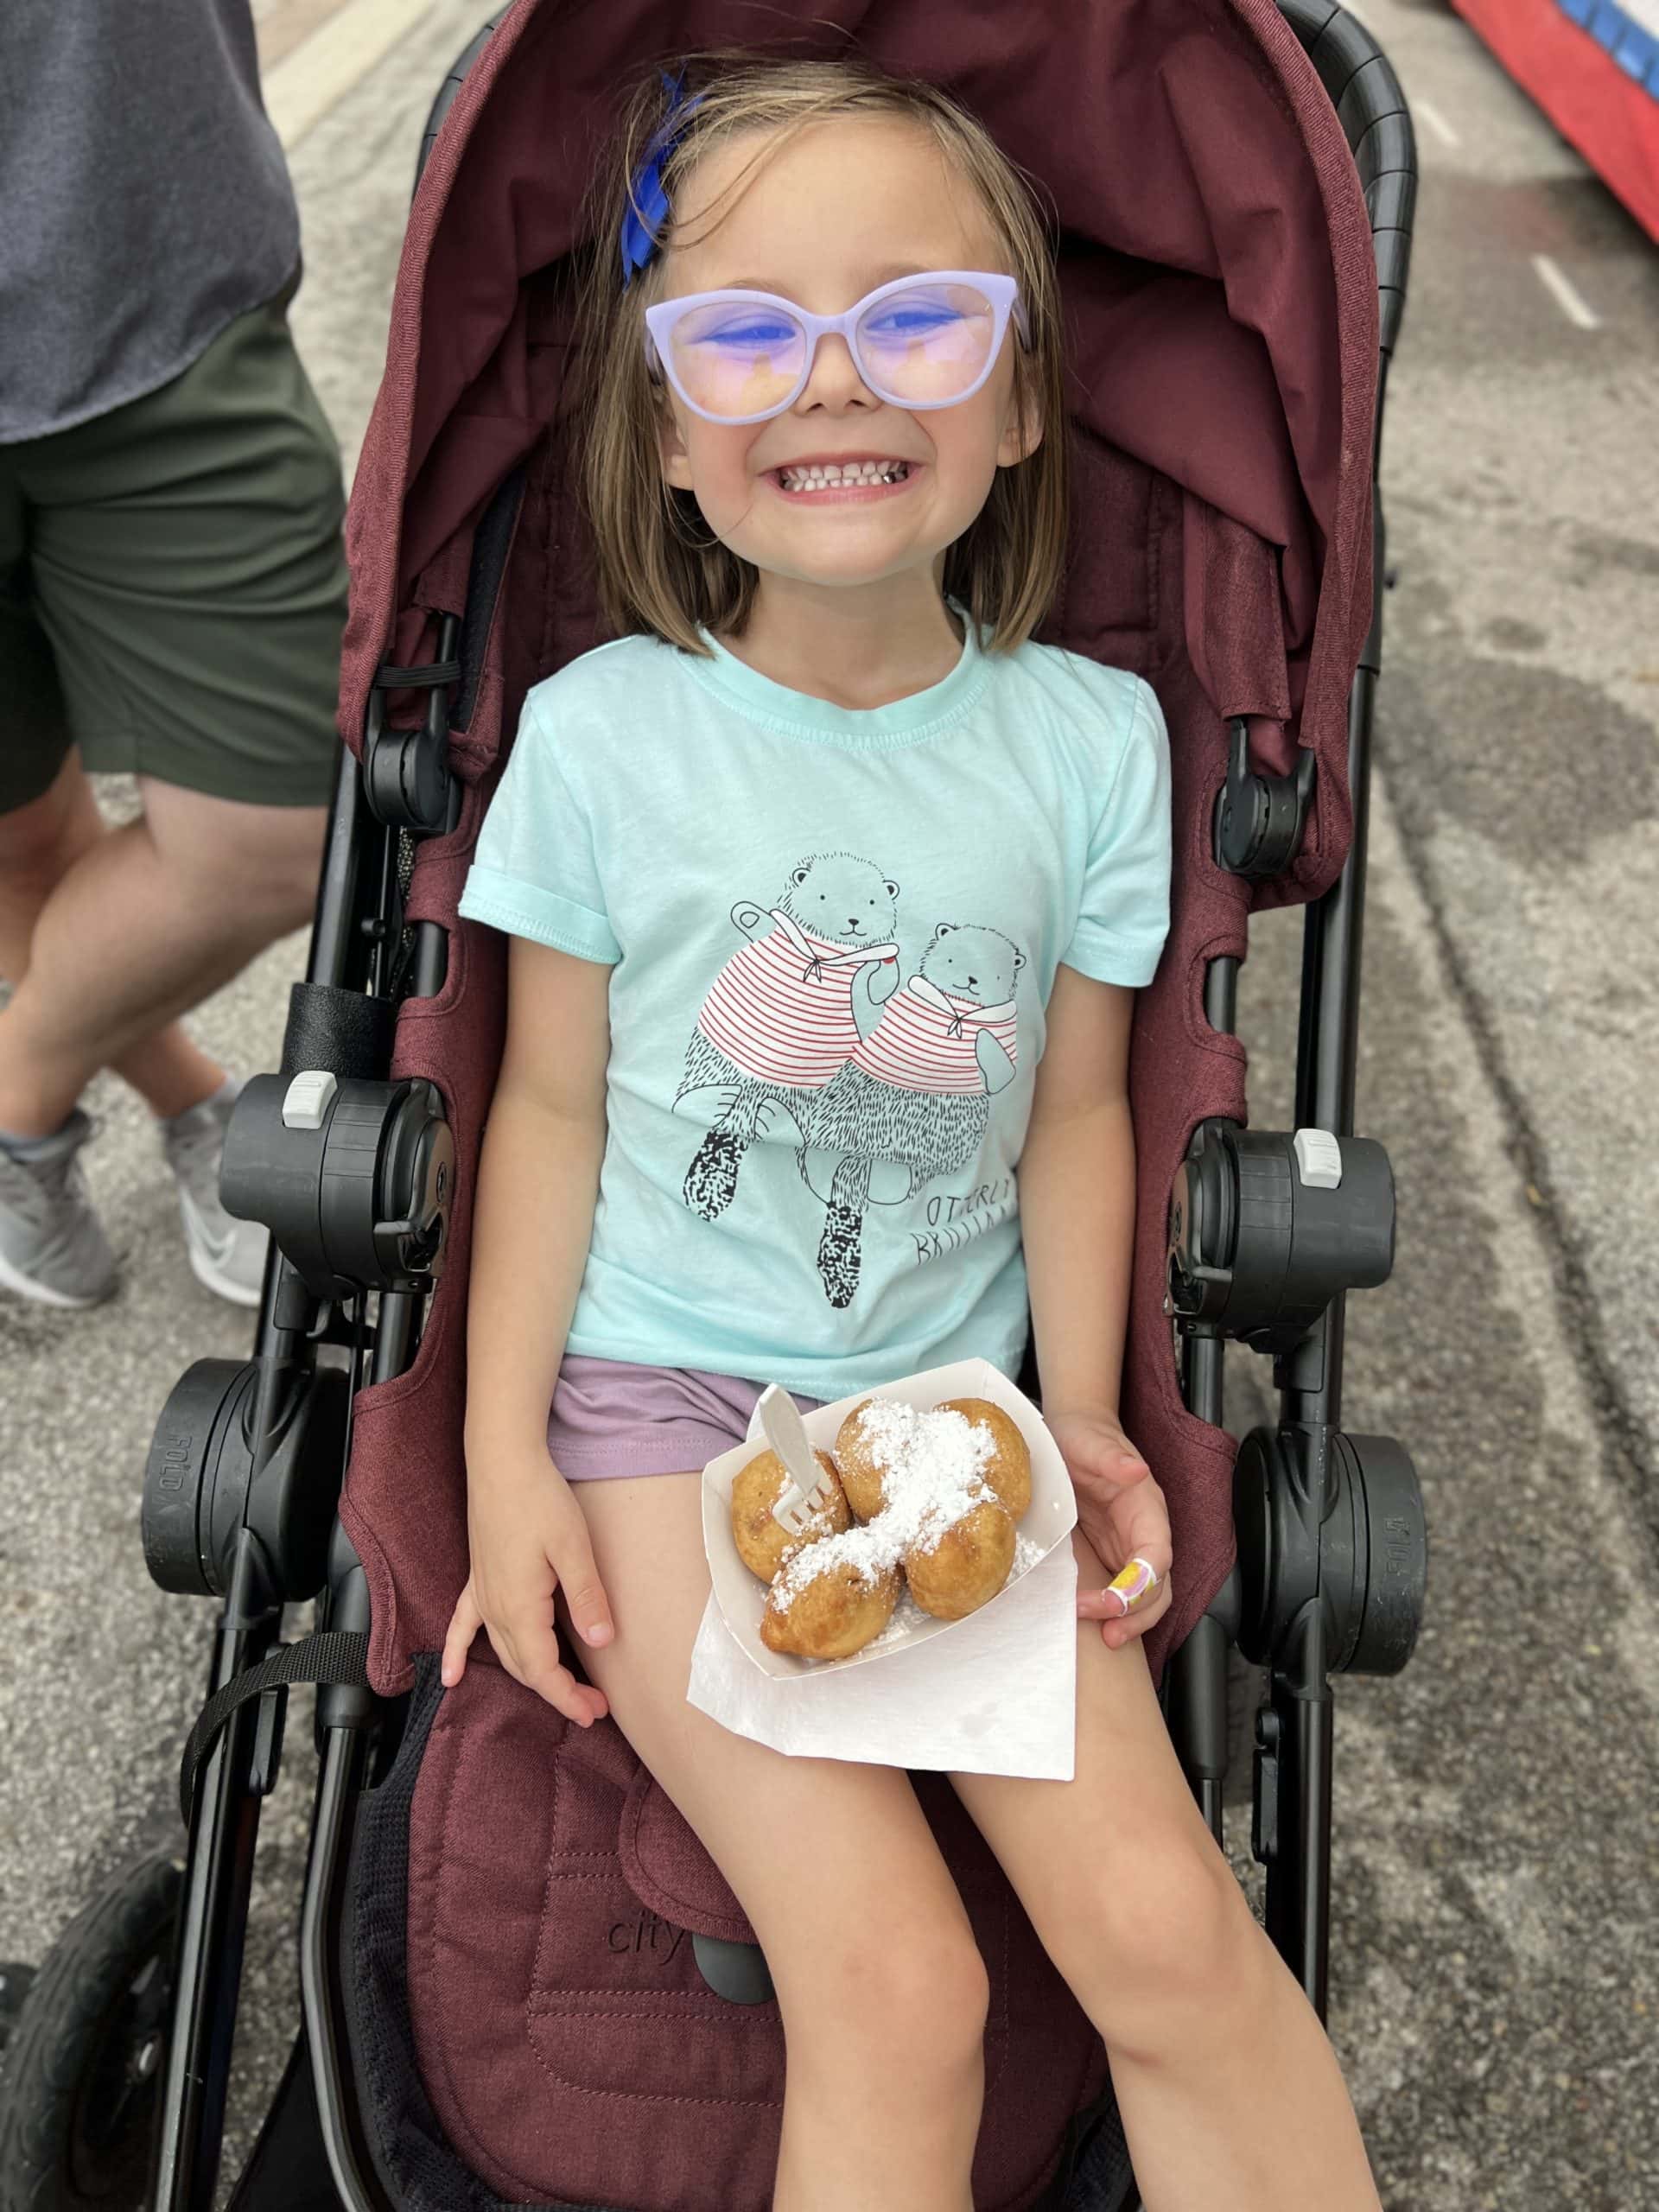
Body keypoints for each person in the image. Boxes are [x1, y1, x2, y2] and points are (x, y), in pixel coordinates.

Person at [440, 54, 1384, 2212]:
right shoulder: (601, 742)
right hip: (662, 1413)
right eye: (749, 332)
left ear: (1024, 398)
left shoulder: (1089, 741)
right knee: (895, 1977)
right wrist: (503, 1452)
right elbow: (550, 1110)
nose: (832, 383)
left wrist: (1087, 1410)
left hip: (959, 1408)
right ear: (672, 425)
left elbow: (1076, 1115)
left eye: (922, 322)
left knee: (1166, 1932)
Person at [0, 1, 347, 1310]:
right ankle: (195, 1103)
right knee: (23, 836)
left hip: (152, 272)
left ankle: (17, 1090)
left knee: (282, 829)